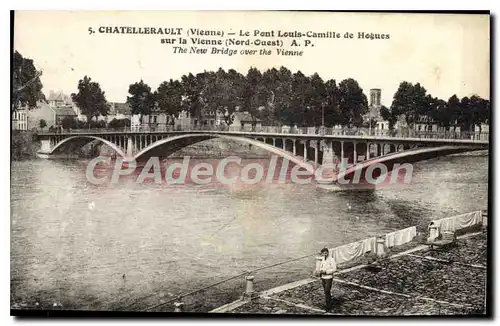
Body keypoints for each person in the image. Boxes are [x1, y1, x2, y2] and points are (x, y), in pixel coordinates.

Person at [314, 247, 337, 312]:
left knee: (327, 290)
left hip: (329, 277)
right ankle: (328, 302)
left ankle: (328, 306)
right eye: (323, 253)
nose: (325, 254)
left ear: (328, 253)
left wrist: (326, 271)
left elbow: (335, 269)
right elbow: (320, 267)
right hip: (323, 277)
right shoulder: (323, 259)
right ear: (322, 254)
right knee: (326, 291)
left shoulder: (331, 259)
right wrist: (319, 271)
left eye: (326, 253)